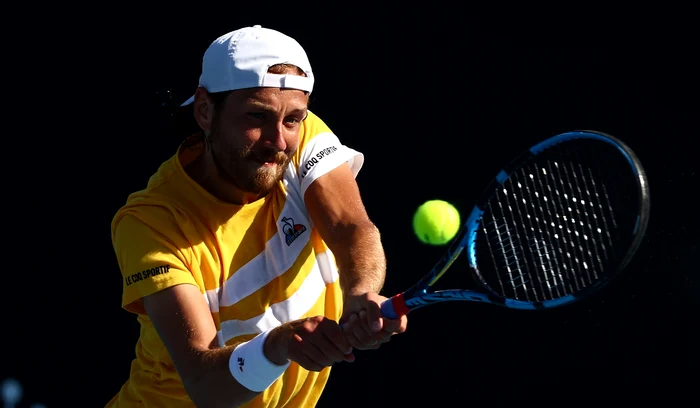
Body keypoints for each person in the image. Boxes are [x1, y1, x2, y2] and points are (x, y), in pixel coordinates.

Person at [106, 25, 408, 408]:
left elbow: (351, 228)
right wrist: (277, 345)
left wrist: (359, 292)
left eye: (292, 120)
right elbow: (205, 385)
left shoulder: (301, 135)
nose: (279, 141)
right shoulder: (151, 222)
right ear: (204, 110)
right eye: (256, 117)